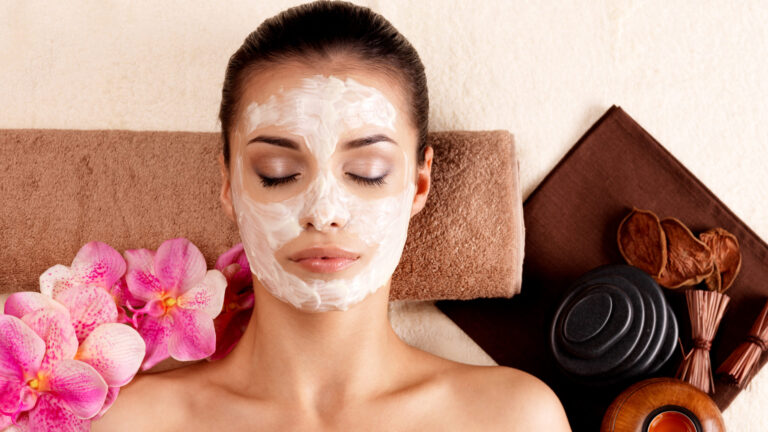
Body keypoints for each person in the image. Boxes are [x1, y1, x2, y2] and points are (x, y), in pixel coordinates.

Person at [93, 1, 571, 430]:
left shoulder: (510, 417)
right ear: (229, 184)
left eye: (366, 172)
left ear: (418, 184)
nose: (323, 213)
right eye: (278, 173)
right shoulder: (140, 421)